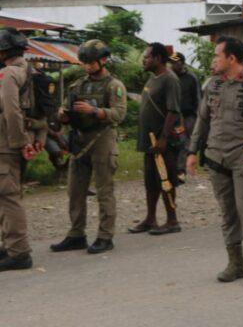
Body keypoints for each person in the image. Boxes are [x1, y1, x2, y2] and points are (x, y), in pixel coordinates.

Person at [187, 36, 243, 286]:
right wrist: (192, 152)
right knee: (228, 214)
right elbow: (202, 120)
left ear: (232, 58)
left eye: (218, 55)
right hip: (216, 158)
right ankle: (236, 264)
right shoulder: (212, 85)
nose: (214, 60)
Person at [50, 40, 127, 255]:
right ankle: (76, 234)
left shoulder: (114, 85)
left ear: (103, 60)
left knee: (104, 190)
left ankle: (105, 236)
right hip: (79, 141)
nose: (87, 66)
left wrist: (95, 111)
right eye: (84, 63)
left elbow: (119, 114)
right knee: (75, 190)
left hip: (102, 139)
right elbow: (66, 108)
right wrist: (63, 115)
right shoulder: (78, 85)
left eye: (91, 62)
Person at [0, 29, 46, 272]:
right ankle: (9, 245)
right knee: (7, 196)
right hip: (18, 142)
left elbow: (11, 111)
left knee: (8, 197)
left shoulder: (8, 74)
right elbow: (41, 112)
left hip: (7, 145)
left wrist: (20, 143)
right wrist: (37, 138)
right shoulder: (32, 71)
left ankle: (18, 253)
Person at [130, 43, 182, 235]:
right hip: (149, 141)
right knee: (151, 181)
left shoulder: (170, 79)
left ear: (158, 58)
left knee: (166, 179)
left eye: (147, 56)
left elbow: (173, 111)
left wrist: (163, 139)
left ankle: (172, 220)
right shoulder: (152, 79)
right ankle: (151, 218)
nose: (144, 60)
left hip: (162, 141)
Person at [169, 52, 200, 181]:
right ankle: (172, 169)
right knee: (173, 142)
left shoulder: (191, 78)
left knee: (185, 142)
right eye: (171, 63)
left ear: (181, 63)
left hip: (188, 116)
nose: (172, 65)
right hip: (173, 116)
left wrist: (199, 117)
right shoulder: (170, 77)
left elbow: (198, 98)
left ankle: (180, 171)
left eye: (175, 62)